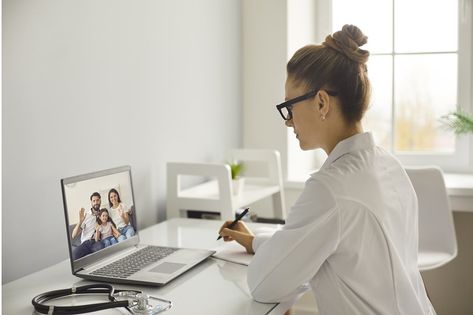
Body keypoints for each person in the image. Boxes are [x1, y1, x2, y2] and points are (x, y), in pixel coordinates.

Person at [218, 24, 436, 315]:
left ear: (321, 102)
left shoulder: (331, 189)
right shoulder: (387, 166)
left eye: (289, 107)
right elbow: (317, 241)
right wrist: (254, 242)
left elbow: (263, 283)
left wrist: (266, 252)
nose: (288, 121)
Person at [71, 192, 105, 259]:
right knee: (74, 255)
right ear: (91, 202)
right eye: (94, 201)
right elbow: (73, 235)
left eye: (97, 200)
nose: (96, 203)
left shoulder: (103, 215)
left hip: (97, 241)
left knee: (100, 248)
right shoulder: (86, 216)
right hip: (86, 243)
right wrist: (80, 221)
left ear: (100, 201)